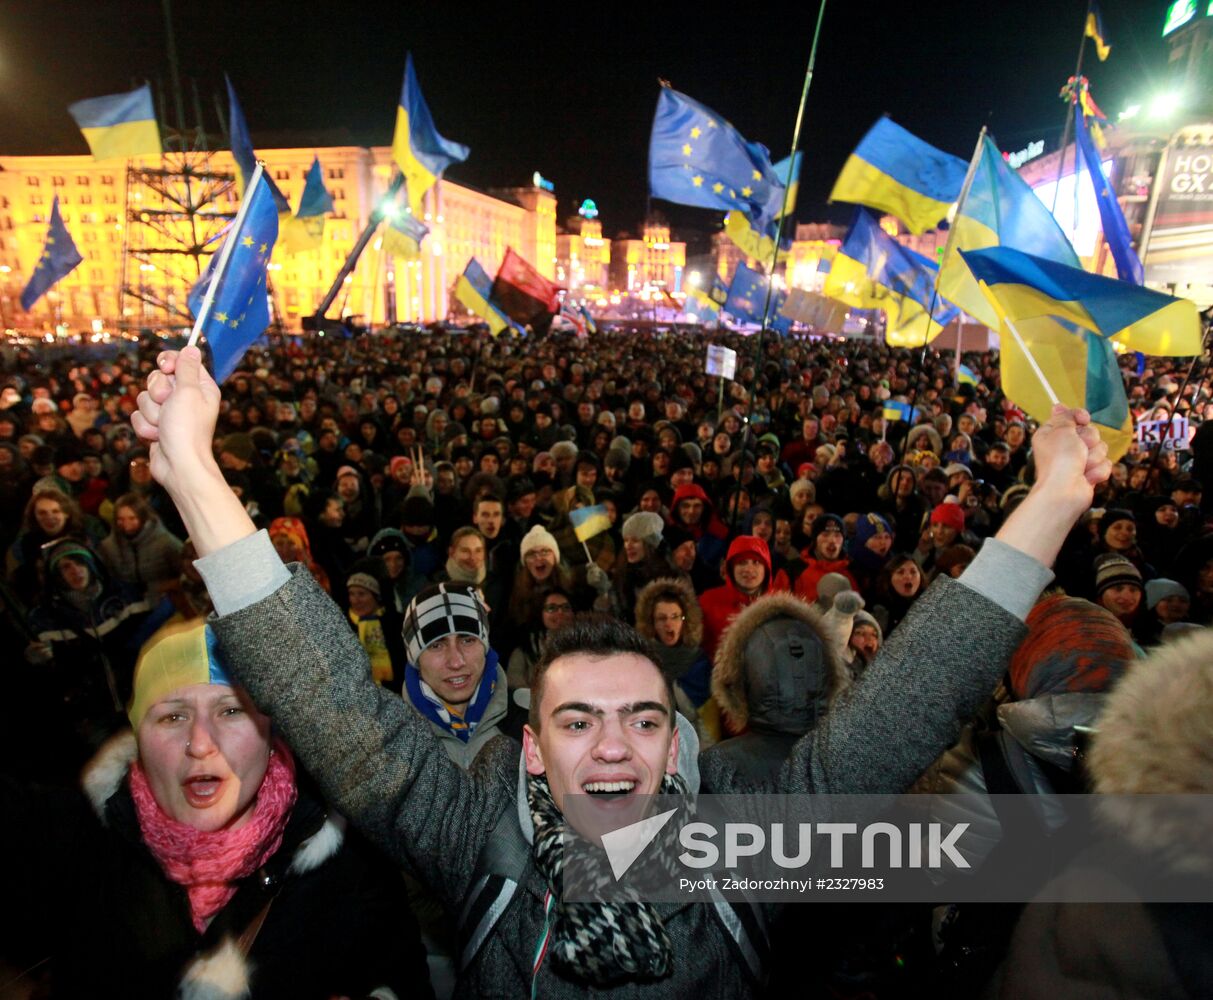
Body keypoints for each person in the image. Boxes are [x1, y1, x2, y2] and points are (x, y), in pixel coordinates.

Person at [134, 347, 1110, 997]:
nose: (610, 743)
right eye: (577, 721)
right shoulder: (477, 842)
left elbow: (907, 704)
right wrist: (190, 470)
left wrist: (1051, 505)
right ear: (530, 749)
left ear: (678, 741)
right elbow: (327, 695)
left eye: (641, 719)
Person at [1, 619, 429, 998]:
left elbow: (402, 977)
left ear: (271, 732)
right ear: (137, 737)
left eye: (230, 711)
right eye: (172, 717)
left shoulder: (349, 863)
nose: (202, 743)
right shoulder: (77, 848)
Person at [96, 491, 184, 600]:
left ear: (143, 517)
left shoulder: (166, 543)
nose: (126, 525)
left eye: (132, 518)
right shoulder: (108, 547)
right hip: (129, 602)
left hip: (166, 600)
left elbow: (185, 574)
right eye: (121, 519)